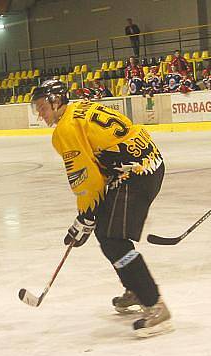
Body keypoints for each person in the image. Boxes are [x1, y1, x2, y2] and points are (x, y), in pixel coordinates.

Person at [30, 79, 171, 338]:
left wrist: (86, 215)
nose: (40, 113)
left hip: (137, 172)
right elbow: (98, 165)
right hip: (145, 162)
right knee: (107, 235)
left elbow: (87, 178)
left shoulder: (65, 130)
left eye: (42, 106)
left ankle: (154, 305)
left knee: (113, 239)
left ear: (56, 101)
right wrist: (88, 216)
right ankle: (135, 288)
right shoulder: (79, 109)